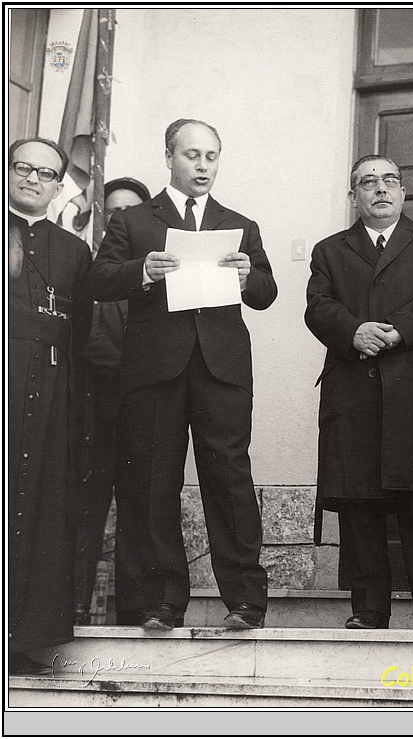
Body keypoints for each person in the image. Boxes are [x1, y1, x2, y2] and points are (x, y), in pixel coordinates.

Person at [91, 119, 276, 631]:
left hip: (222, 369)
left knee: (230, 482)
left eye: (211, 156)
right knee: (152, 483)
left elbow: (266, 293)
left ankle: (245, 602)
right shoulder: (133, 220)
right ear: (169, 156)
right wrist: (141, 271)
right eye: (192, 154)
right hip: (154, 370)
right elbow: (100, 279)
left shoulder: (238, 222)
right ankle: (160, 602)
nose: (202, 165)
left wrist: (248, 276)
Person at [306, 155, 413, 631]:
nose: (380, 189)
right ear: (353, 196)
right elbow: (317, 307)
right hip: (355, 391)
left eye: (389, 181)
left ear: (403, 192)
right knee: (360, 503)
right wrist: (353, 331)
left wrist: (395, 331)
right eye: (368, 182)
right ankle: (368, 609)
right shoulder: (329, 250)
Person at [8, 137, 93, 675]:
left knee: (36, 508)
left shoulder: (74, 250)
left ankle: (20, 641)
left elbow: (78, 330)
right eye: (23, 168)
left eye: (46, 173)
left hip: (47, 395)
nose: (33, 179)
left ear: (59, 185)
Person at [72, 177, 151, 626]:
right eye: (113, 211)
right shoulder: (90, 268)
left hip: (145, 412)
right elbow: (87, 340)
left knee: (142, 509)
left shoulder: (158, 269)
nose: (121, 219)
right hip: (97, 413)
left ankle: (137, 608)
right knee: (88, 508)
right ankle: (75, 604)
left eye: (130, 212)